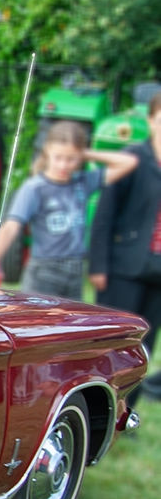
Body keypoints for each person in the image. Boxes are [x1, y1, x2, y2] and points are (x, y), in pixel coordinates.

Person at [0, 119, 136, 298]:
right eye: (58, 158)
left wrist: (86, 153)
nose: (64, 165)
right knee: (40, 324)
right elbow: (11, 226)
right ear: (47, 151)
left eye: (71, 159)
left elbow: (129, 163)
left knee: (69, 324)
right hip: (44, 272)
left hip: (75, 271)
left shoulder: (83, 182)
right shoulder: (35, 188)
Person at [89, 92, 161, 396]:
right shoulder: (132, 160)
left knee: (144, 345)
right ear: (151, 121)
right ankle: (100, 401)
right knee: (115, 345)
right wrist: (98, 265)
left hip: (157, 272)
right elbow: (104, 215)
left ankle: (127, 408)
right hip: (123, 268)